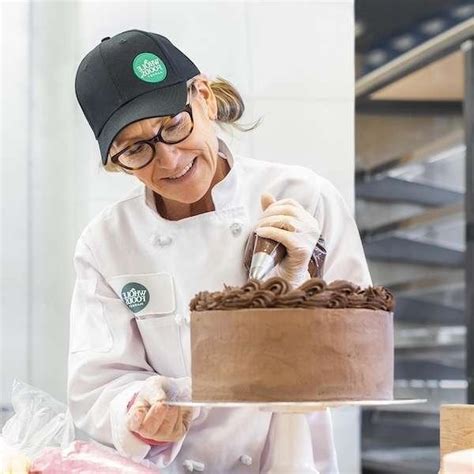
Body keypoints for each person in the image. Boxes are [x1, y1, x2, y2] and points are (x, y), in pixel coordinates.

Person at [69, 29, 371, 473]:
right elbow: (97, 384)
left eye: (174, 126)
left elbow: (360, 366)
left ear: (205, 98)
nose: (169, 160)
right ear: (117, 162)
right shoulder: (106, 243)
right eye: (135, 149)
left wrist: (303, 288)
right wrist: (137, 408)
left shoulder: (305, 198)